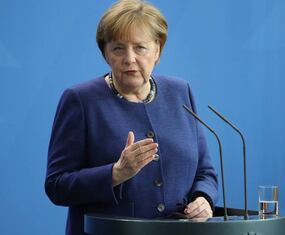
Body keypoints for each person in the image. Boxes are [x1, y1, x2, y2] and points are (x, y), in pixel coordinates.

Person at [45, 0, 218, 234]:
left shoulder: (181, 92)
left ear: (157, 49)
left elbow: (204, 171)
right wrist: (115, 173)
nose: (129, 58)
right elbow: (57, 186)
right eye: (118, 48)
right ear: (105, 52)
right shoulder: (80, 100)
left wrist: (203, 199)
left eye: (140, 47)